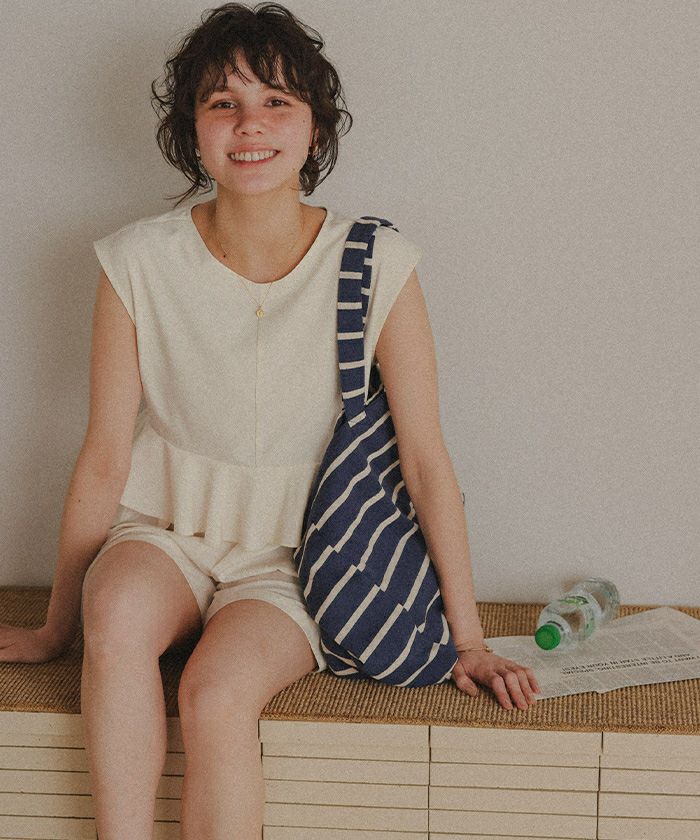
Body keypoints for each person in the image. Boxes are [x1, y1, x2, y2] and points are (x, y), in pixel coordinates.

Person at [0, 2, 540, 838]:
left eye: (277, 101)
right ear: (193, 129)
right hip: (162, 534)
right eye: (223, 103)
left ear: (315, 125)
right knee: (117, 617)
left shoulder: (379, 262)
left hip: (297, 563)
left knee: (214, 694)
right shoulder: (135, 260)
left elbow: (426, 462)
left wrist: (467, 639)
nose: (250, 124)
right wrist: (53, 628)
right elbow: (105, 456)